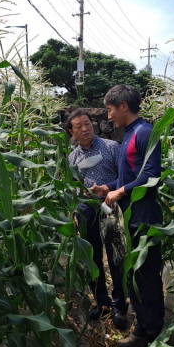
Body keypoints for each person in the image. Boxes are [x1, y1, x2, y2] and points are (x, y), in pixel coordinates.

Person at [91, 85, 165, 347]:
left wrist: (121, 190)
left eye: (110, 109)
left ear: (123, 106)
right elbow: (130, 178)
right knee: (134, 276)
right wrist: (110, 188)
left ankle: (152, 336)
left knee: (146, 278)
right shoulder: (130, 135)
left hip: (144, 219)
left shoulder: (145, 133)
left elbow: (152, 177)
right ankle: (142, 331)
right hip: (131, 218)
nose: (108, 116)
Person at [67, 108, 128, 330]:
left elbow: (125, 177)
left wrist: (106, 188)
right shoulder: (72, 158)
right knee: (92, 257)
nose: (85, 129)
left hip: (110, 207)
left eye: (88, 124)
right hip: (86, 211)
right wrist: (79, 196)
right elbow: (71, 186)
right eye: (79, 126)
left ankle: (120, 305)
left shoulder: (112, 147)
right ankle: (101, 302)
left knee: (116, 257)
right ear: (71, 132)